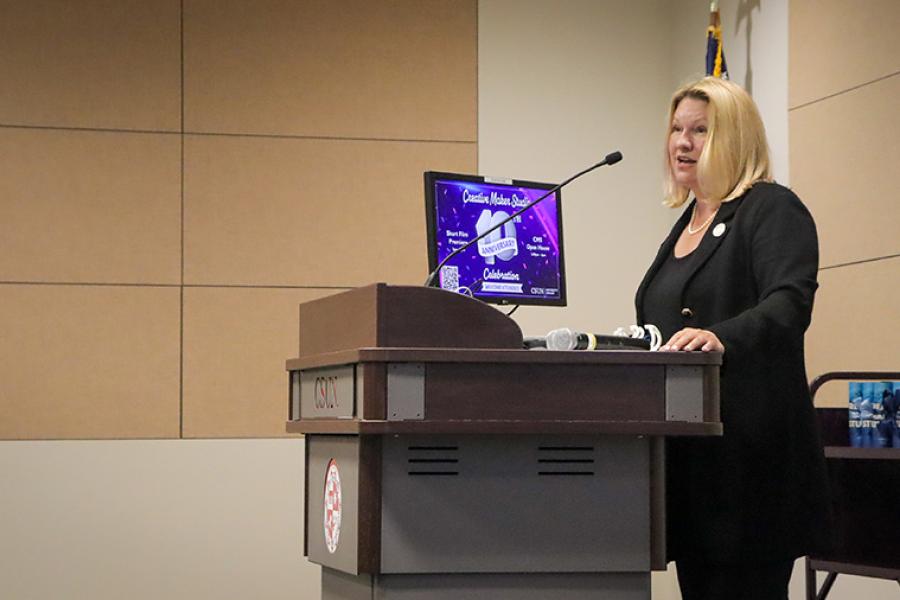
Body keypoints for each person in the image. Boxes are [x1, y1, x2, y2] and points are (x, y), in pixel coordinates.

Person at [635, 77, 831, 599]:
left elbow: (789, 304)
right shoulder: (688, 222)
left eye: (700, 130)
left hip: (750, 466)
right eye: (677, 129)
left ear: (734, 138)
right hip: (693, 465)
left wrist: (717, 338)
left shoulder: (770, 208)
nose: (682, 142)